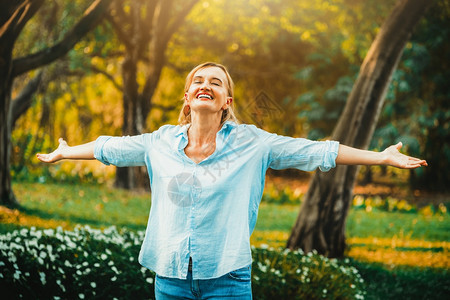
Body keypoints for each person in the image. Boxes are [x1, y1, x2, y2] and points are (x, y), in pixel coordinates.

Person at [37, 62, 427, 299]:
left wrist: (380, 156)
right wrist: (65, 151)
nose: (206, 84)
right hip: (169, 278)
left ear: (227, 102)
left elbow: (317, 151)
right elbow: (109, 148)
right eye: (199, 80)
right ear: (188, 97)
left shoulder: (252, 143)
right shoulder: (159, 142)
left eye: (217, 82)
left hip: (227, 278)